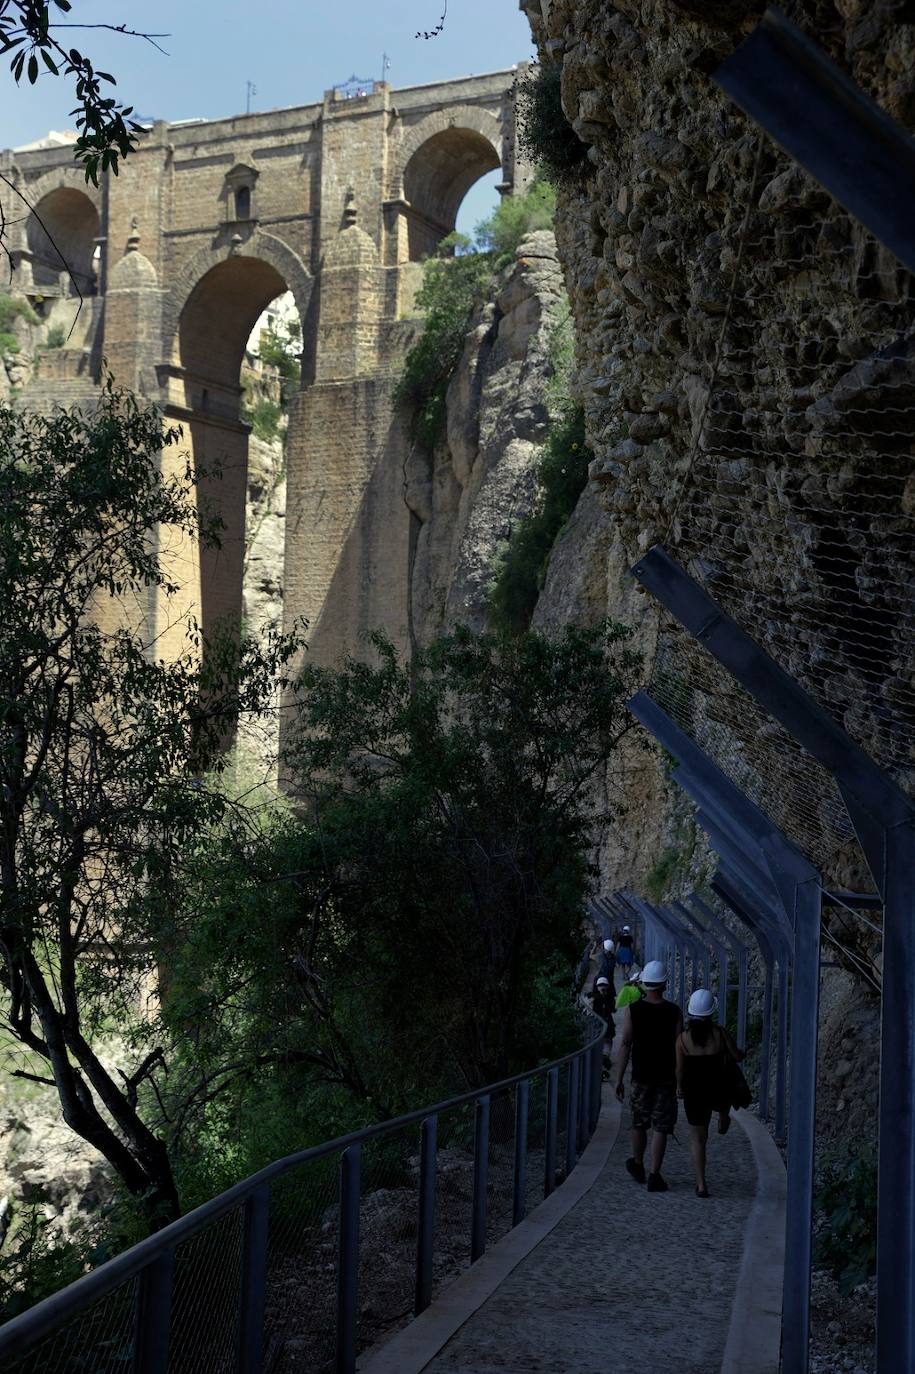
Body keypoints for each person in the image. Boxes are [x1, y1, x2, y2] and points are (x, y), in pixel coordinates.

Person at [614, 961, 682, 1193]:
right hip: (666, 1076)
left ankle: (638, 1163)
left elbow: (625, 1044)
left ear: (644, 983)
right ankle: (655, 1174)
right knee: (661, 1126)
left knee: (639, 1122)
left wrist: (619, 1078)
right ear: (664, 984)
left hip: (641, 1075)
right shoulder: (674, 1011)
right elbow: (679, 1048)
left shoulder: (633, 1010)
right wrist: (680, 1080)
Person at [676, 988, 746, 1198]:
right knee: (723, 1098)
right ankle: (723, 1115)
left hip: (694, 1091)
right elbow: (736, 1056)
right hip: (718, 1087)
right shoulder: (720, 1033)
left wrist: (679, 1087)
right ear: (711, 1012)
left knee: (698, 1138)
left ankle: (701, 1184)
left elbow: (679, 1070)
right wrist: (741, 1052)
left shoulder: (682, 1039)